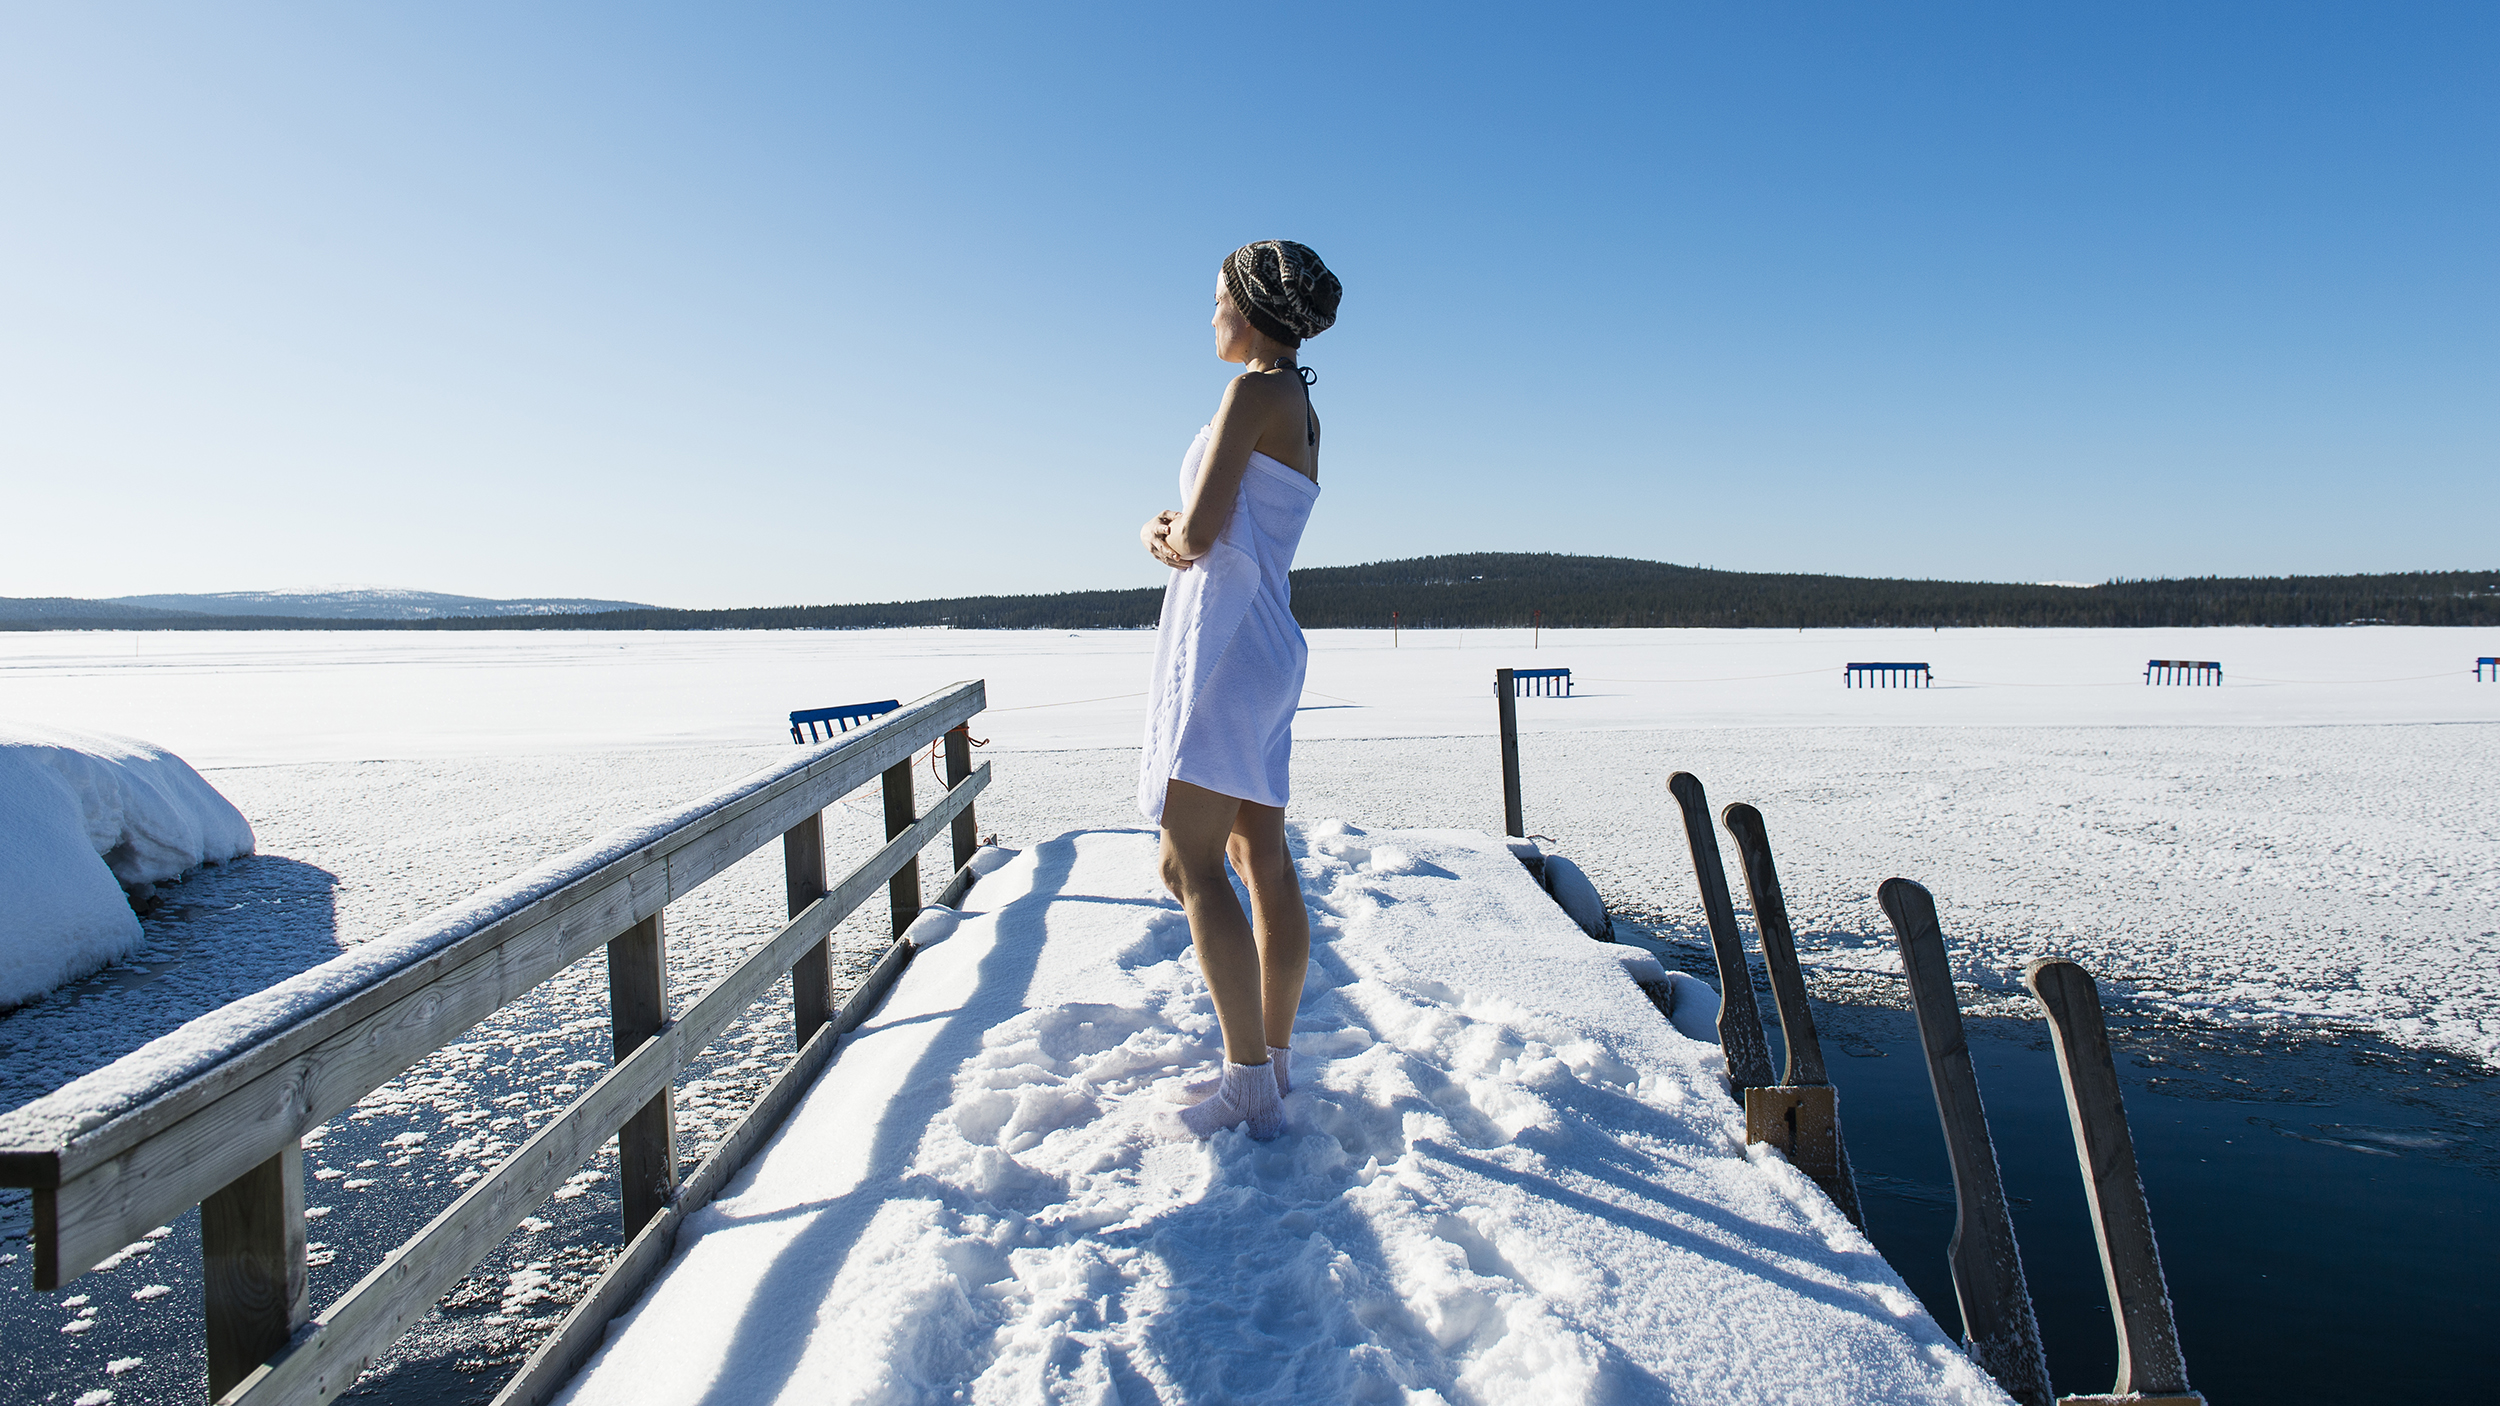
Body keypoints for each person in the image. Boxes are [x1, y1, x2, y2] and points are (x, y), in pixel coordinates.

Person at [1137, 239, 1342, 1140]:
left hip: (1228, 643)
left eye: (1219, 297)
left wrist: (1157, 532)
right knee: (1261, 853)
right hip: (1267, 639)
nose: (1210, 313)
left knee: (1188, 858)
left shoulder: (1254, 391)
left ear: (1252, 305)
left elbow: (1203, 531)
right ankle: (1274, 1063)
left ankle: (1248, 1081)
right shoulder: (1301, 404)